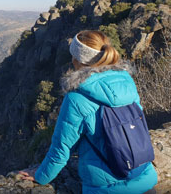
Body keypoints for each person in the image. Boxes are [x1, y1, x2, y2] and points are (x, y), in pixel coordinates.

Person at [18, 30, 157, 193]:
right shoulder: (126, 82)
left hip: (106, 189)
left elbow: (61, 149)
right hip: (145, 179)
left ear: (77, 59)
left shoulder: (77, 98)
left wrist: (41, 176)